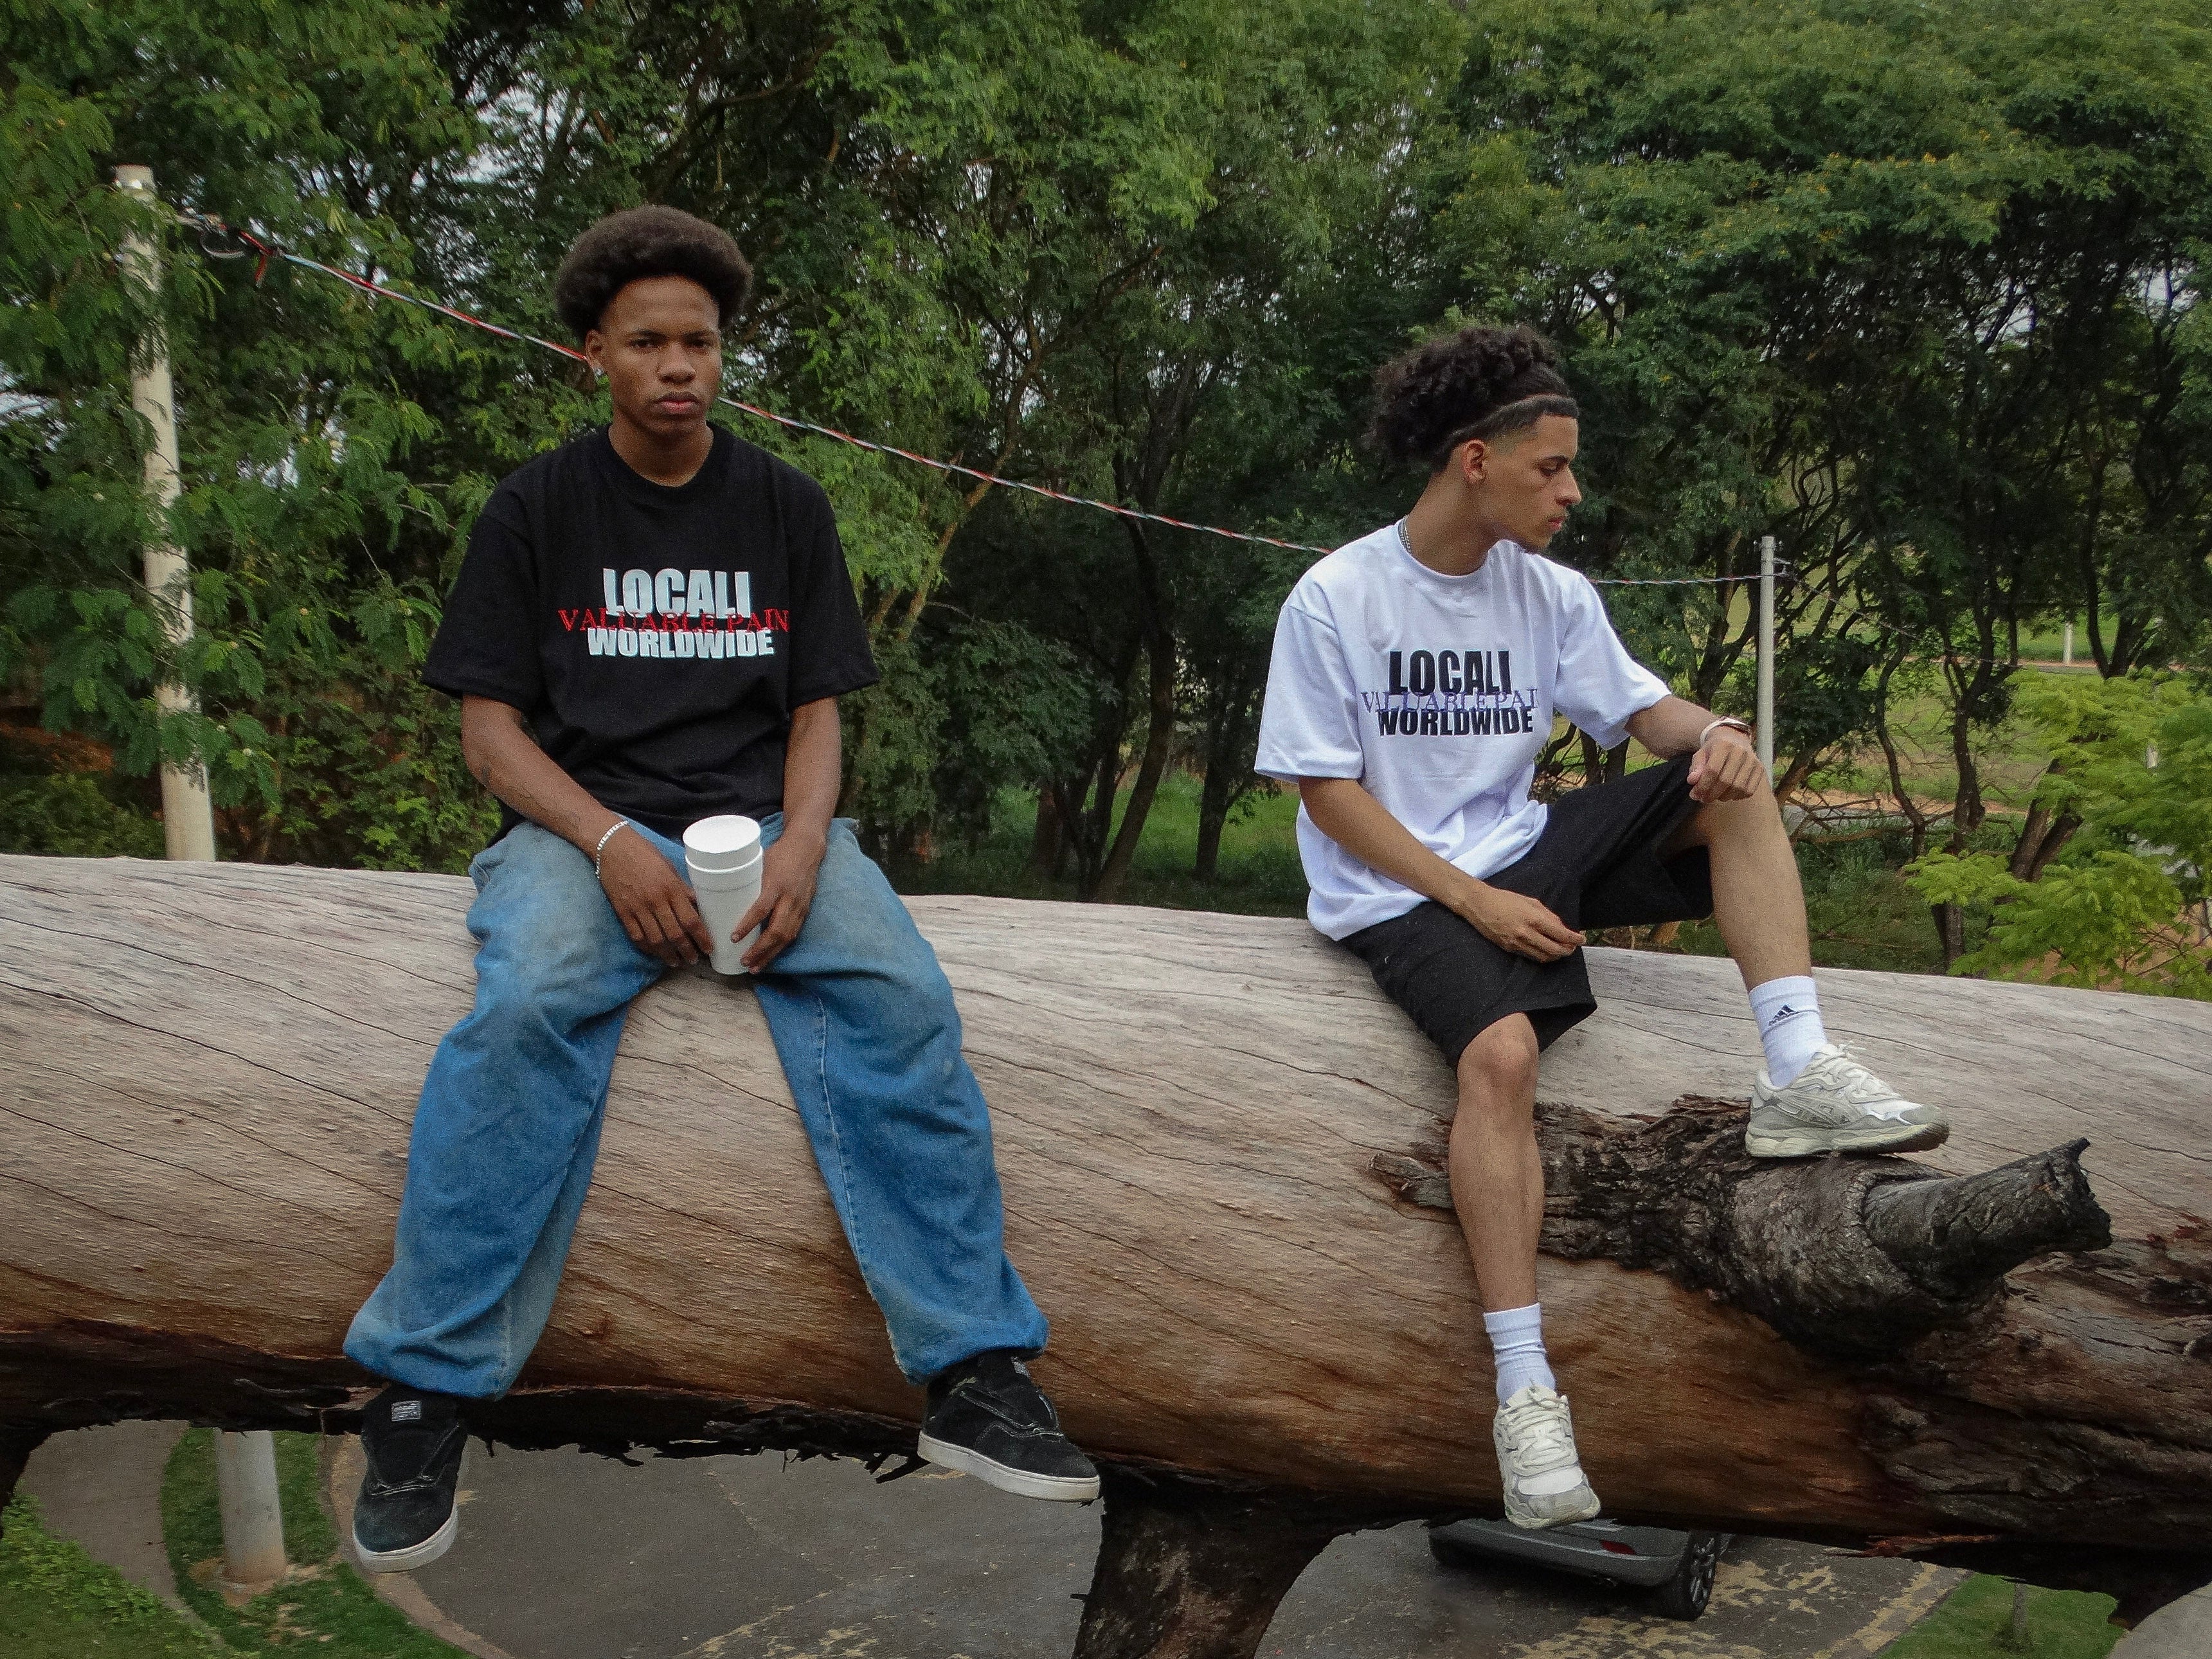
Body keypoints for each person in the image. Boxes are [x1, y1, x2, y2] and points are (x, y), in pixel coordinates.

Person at [343, 206, 1098, 1574]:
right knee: (524, 1007)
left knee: (904, 999)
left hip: (760, 824)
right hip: (583, 833)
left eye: (698, 341)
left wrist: (806, 841)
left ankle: (973, 1370)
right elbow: (489, 735)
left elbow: (817, 711)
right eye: (647, 342)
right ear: (593, 353)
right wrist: (607, 842)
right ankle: (423, 1389)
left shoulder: (784, 506)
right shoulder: (535, 509)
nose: (677, 365)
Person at [1254, 325, 1950, 1532]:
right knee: (1500, 1057)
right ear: (1475, 461)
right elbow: (1326, 794)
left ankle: (1796, 1064)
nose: (1571, 491)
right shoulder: (1338, 597)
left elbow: (1643, 712)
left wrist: (1715, 732)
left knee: (1733, 785)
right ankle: (1526, 1394)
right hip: (1400, 890)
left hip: (1523, 846)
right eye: (1552, 467)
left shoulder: (1550, 593)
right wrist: (1471, 900)